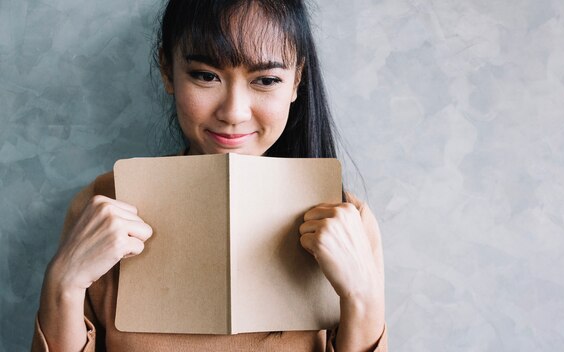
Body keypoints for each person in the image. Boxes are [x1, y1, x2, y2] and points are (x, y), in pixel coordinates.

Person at [31, 0, 387, 351]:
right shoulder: (102, 207)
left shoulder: (346, 222)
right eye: (205, 75)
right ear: (168, 70)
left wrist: (362, 299)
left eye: (265, 80)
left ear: (296, 82)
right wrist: (64, 284)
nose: (234, 112)